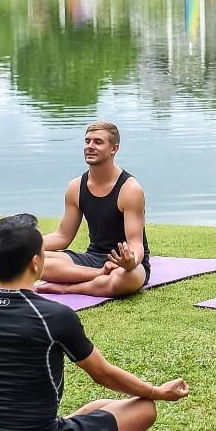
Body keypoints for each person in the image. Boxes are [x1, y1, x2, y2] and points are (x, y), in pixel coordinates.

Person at [0, 213, 188, 431]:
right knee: (144, 408)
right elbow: (102, 373)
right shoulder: (53, 316)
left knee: (99, 407)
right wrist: (157, 392)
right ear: (37, 263)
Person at [36, 121, 150, 299]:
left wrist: (131, 260)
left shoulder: (130, 189)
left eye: (98, 142)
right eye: (87, 141)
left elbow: (136, 243)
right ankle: (98, 276)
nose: (90, 146)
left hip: (125, 264)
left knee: (123, 279)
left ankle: (67, 288)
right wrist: (27, 246)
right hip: (93, 259)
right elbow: (62, 237)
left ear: (114, 148)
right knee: (31, 261)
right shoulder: (75, 187)